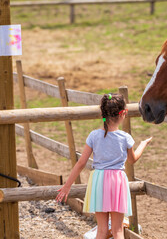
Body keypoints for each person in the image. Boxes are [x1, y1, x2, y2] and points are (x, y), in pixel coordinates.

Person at [56, 93, 152, 239]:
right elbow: (132, 160)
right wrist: (143, 145)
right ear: (123, 113)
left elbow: (81, 163)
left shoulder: (94, 136)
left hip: (99, 181)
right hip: (118, 182)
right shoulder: (125, 137)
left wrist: (67, 185)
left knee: (101, 231)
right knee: (117, 230)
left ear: (102, 113)